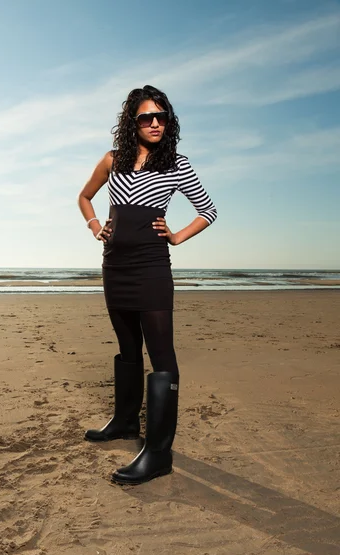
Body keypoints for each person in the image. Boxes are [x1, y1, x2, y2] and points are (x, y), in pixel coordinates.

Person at [77, 85, 217, 485]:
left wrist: (176, 236)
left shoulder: (177, 164)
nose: (155, 123)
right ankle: (124, 423)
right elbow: (85, 197)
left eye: (161, 117)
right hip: (115, 266)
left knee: (162, 356)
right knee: (126, 347)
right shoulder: (113, 160)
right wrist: (94, 225)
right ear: (132, 121)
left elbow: (208, 210)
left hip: (152, 267)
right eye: (146, 117)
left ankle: (157, 453)